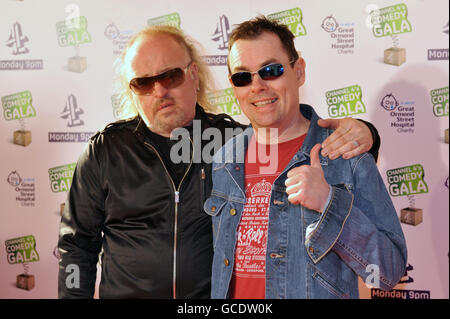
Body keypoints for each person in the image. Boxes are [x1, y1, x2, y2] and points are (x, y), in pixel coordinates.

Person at [58, 24, 381, 298]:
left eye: (169, 76)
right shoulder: (106, 150)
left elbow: (305, 153)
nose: (159, 91)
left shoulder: (236, 142)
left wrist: (368, 134)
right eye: (143, 83)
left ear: (193, 74)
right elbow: (76, 246)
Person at [204, 16, 407, 299]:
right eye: (242, 77)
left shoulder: (344, 155)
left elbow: (388, 272)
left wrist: (328, 204)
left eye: (270, 70)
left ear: (298, 72)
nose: (257, 86)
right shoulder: (225, 159)